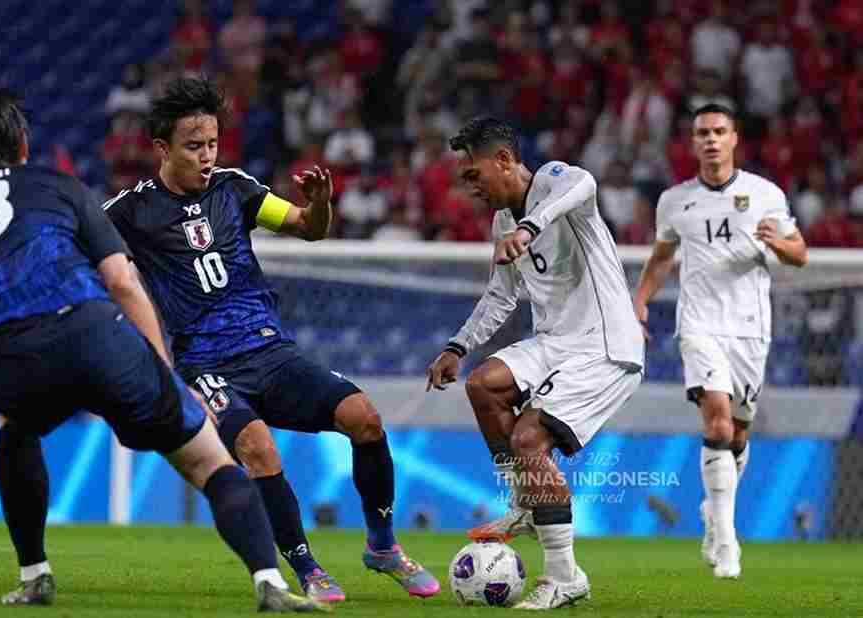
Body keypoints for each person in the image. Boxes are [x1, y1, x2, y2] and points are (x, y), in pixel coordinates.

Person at [0, 88, 326, 613]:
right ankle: (269, 582)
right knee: (206, 459)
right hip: (97, 334)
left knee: (14, 432)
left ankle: (34, 575)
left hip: (12, 351)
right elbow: (121, 280)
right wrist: (166, 374)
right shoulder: (59, 186)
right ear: (23, 143)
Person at [103, 76, 440, 602]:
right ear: (162, 148)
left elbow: (308, 227)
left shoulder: (235, 188)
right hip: (207, 366)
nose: (207, 155)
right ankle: (307, 569)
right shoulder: (130, 211)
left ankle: (383, 546)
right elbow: (82, 248)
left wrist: (321, 204)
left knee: (365, 419)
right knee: (258, 447)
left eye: (213, 143)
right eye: (194, 146)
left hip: (271, 351)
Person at [425, 116, 644, 610]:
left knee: (529, 439)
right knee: (483, 385)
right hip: (554, 341)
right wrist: (458, 346)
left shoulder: (553, 181)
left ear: (504, 160)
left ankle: (566, 577)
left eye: (474, 174)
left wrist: (531, 225)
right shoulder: (502, 222)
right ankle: (525, 499)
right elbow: (501, 295)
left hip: (605, 344)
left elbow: (585, 184)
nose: (471, 186)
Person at [632, 104, 808, 579]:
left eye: (719, 132)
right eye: (702, 133)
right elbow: (662, 257)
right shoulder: (674, 201)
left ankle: (714, 512)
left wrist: (778, 245)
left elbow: (799, 255)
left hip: (751, 327)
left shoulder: (765, 194)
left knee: (739, 433)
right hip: (699, 324)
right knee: (717, 418)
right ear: (693, 143)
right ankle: (728, 542)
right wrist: (641, 301)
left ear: (734, 139)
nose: (710, 140)